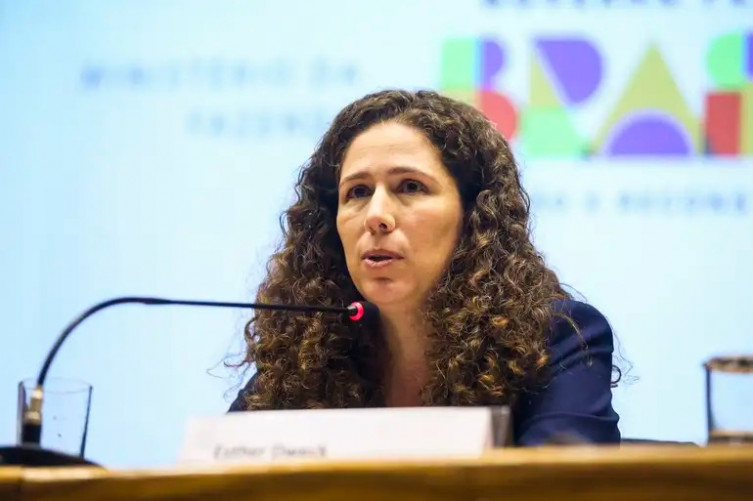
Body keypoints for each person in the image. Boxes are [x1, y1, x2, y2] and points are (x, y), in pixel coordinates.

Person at [229, 89, 621, 445]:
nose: (376, 216)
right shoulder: (306, 355)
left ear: (473, 215)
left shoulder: (555, 340)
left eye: (410, 187)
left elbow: (562, 486)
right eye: (358, 192)